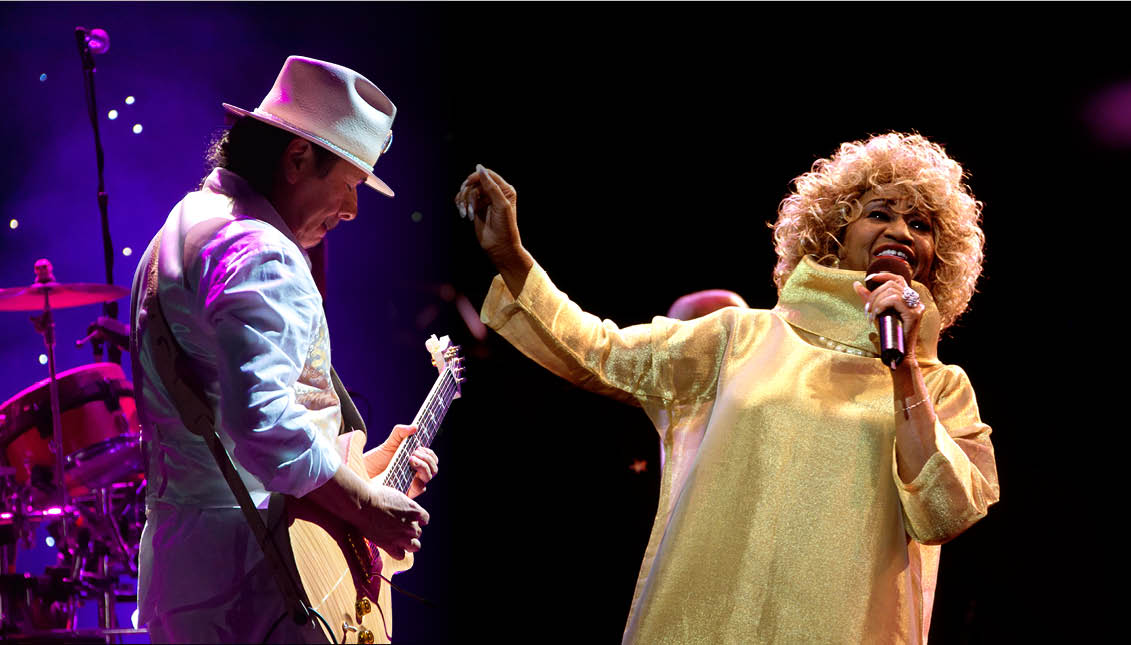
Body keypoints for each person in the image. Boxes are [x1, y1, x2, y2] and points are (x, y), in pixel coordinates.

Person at [456, 132, 999, 643]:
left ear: (939, 255)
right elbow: (601, 353)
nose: (902, 232)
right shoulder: (745, 336)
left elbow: (944, 513)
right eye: (879, 214)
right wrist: (512, 258)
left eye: (922, 225)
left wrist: (904, 368)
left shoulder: (943, 387)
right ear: (834, 233)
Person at [130, 56, 438, 643]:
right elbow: (264, 424)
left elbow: (234, 426)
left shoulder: (186, 223)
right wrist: (369, 509)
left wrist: (365, 475)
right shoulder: (261, 251)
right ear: (298, 159)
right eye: (348, 184)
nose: (351, 210)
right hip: (257, 578)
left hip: (193, 566)